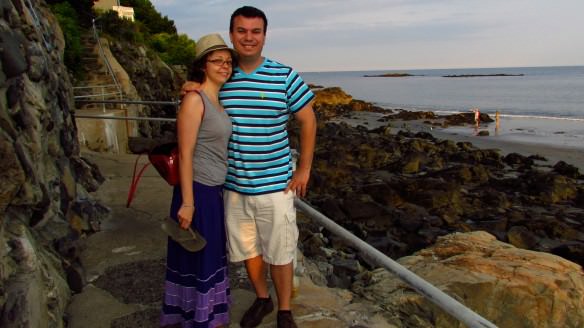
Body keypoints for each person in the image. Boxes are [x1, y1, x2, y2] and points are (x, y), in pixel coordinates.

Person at [183, 6, 316, 328]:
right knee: (248, 251)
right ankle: (262, 298)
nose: (248, 38)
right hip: (234, 187)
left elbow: (308, 120)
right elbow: (198, 98)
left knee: (281, 253)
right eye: (242, 31)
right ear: (232, 35)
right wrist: (188, 86)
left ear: (264, 36)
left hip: (275, 187)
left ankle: (284, 310)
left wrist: (304, 170)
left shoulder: (284, 76)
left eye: (255, 31)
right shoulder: (222, 76)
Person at [160, 33, 237, 328]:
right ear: (203, 65)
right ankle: (198, 319)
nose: (224, 66)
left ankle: (206, 316)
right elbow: (185, 153)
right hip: (198, 193)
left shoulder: (216, 99)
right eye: (217, 60)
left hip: (213, 191)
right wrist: (188, 203)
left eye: (228, 61)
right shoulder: (195, 100)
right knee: (198, 258)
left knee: (208, 258)